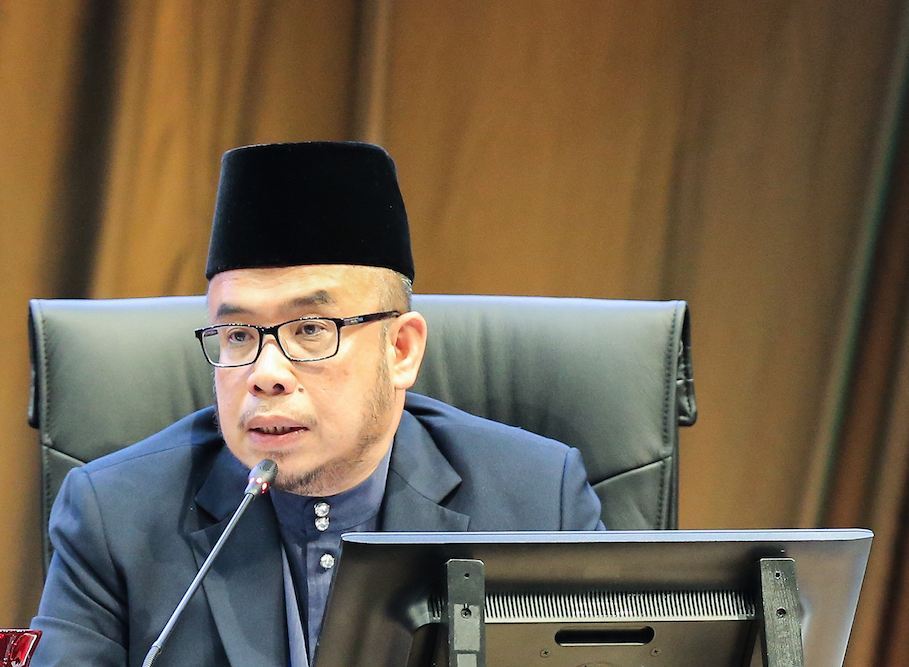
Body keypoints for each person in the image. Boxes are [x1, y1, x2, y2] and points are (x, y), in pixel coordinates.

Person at [30, 141, 604, 667]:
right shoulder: (114, 516)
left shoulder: (537, 502)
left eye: (310, 329)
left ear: (401, 350)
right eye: (238, 335)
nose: (265, 374)